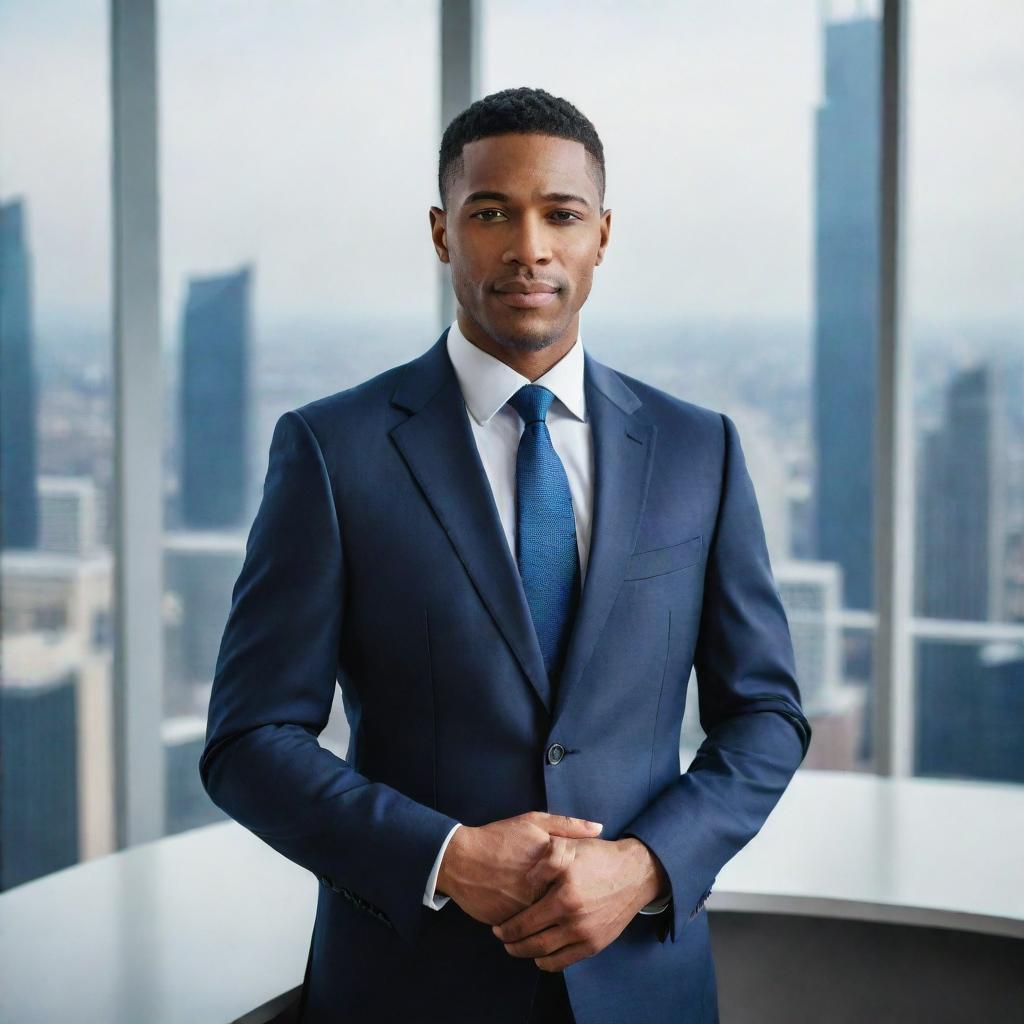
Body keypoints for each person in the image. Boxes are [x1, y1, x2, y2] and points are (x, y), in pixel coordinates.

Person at [200, 86, 812, 1024]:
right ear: (444, 233)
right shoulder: (334, 450)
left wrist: (644, 867)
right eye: (492, 213)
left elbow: (765, 713)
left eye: (561, 215)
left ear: (602, 235)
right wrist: (442, 855)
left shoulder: (701, 450)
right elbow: (249, 741)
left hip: (644, 982)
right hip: (410, 987)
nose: (529, 247)